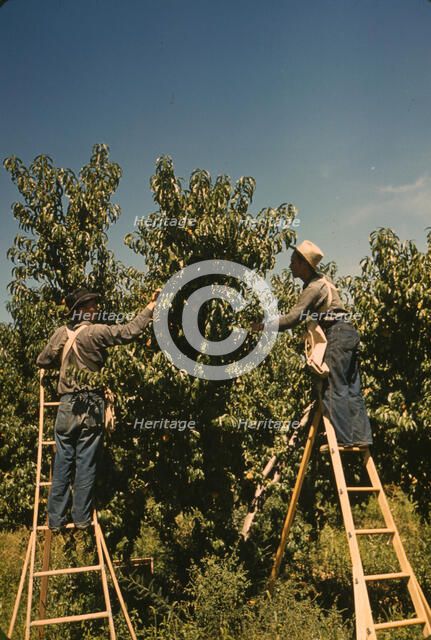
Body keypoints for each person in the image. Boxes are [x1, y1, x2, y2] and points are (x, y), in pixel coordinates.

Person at [36, 286, 160, 532]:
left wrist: (63, 366)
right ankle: (81, 519)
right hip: (91, 404)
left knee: (62, 462)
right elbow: (129, 332)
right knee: (86, 464)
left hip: (67, 405)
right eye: (91, 306)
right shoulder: (97, 332)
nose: (95, 309)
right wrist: (150, 307)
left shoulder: (61, 334)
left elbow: (42, 360)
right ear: (80, 310)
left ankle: (55, 520)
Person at [251, 240, 372, 448]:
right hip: (348, 333)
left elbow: (292, 318)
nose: (290, 266)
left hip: (336, 333)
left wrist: (263, 326)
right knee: (352, 388)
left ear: (304, 264)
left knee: (332, 387)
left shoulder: (314, 287)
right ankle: (362, 438)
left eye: (293, 262)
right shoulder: (325, 281)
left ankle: (344, 440)